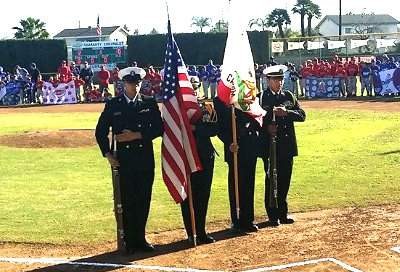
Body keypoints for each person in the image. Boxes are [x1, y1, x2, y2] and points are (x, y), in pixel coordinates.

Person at [95, 67, 162, 254]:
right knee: (126, 200)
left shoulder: (148, 102)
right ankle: (128, 239)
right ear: (124, 83)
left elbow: (158, 128)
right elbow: (100, 132)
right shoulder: (113, 104)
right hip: (123, 160)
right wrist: (108, 155)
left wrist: (136, 135)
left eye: (138, 83)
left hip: (144, 159)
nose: (135, 86)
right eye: (132, 83)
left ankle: (140, 237)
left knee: (143, 199)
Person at [260, 65, 306, 227]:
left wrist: (287, 112)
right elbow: (254, 120)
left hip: (287, 146)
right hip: (270, 147)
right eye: (275, 80)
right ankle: (272, 215)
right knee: (272, 180)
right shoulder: (262, 98)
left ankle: (282, 213)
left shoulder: (289, 96)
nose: (279, 83)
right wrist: (266, 127)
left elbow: (302, 115)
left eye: (281, 79)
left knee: (285, 179)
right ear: (268, 81)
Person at [213, 95, 262, 233]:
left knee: (249, 183)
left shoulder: (249, 94)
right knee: (235, 185)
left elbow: (257, 117)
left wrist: (248, 127)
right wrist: (229, 142)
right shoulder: (220, 100)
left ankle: (248, 219)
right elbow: (219, 127)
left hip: (250, 145)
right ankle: (237, 220)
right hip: (234, 148)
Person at [180, 76, 218, 244]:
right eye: (190, 88)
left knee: (203, 195)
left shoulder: (206, 107)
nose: (193, 91)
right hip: (186, 155)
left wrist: (195, 128)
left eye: (195, 88)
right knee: (188, 196)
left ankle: (201, 230)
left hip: (205, 155)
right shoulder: (178, 109)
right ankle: (191, 231)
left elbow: (214, 129)